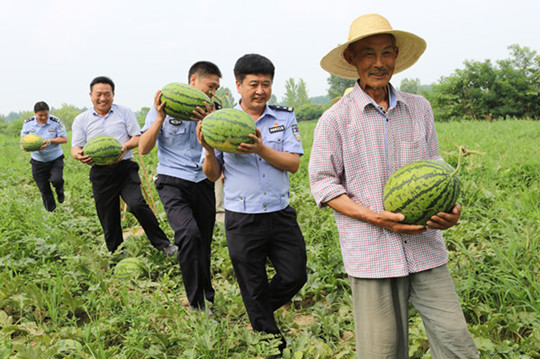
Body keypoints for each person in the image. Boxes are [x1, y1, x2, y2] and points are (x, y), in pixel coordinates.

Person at [308, 14, 479, 358]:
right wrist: (374, 217)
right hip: (372, 253)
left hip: (425, 247)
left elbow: (436, 170)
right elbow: (323, 184)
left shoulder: (420, 108)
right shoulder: (335, 119)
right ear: (351, 59)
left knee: (457, 340)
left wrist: (450, 211)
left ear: (396, 57)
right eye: (368, 54)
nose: (379, 63)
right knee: (383, 352)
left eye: (387, 53)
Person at [197, 54, 307, 356]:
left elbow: (293, 164)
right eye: (254, 84)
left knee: (296, 274)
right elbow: (213, 175)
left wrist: (261, 148)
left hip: (279, 212)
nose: (260, 90)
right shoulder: (219, 123)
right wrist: (208, 150)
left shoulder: (284, 117)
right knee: (253, 282)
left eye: (266, 84)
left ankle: (257, 311)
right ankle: (272, 345)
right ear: (239, 85)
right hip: (242, 217)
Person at [139, 61, 222, 312]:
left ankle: (207, 295)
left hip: (202, 180)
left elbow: (218, 150)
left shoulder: (215, 109)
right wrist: (160, 118)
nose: (213, 92)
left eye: (217, 88)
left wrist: (210, 123)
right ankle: (196, 303)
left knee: (203, 241)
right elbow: (143, 148)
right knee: (188, 234)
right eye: (211, 86)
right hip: (171, 180)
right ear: (194, 81)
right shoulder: (164, 105)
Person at [71, 76, 176, 258]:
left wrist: (125, 146)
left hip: (125, 168)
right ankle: (117, 255)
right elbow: (75, 147)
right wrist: (79, 156)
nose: (103, 98)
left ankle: (164, 245)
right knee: (108, 217)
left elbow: (137, 138)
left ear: (113, 94)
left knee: (137, 204)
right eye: (98, 94)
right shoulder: (82, 120)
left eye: (107, 94)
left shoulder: (124, 112)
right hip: (100, 173)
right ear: (90, 95)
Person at [20, 101, 67, 212]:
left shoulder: (55, 121)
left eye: (46, 114)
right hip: (38, 161)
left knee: (57, 180)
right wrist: (29, 147)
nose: (43, 117)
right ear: (35, 113)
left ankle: (60, 190)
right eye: (40, 115)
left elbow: (64, 139)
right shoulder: (28, 123)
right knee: (44, 189)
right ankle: (52, 212)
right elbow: (22, 143)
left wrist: (50, 141)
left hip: (55, 159)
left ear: (48, 112)